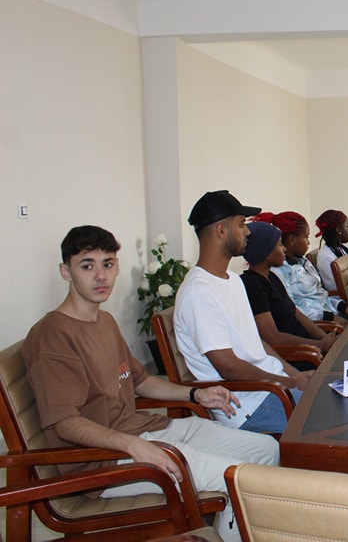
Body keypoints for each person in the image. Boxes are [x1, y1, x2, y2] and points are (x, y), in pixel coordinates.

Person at [22, 225, 278, 542]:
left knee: (266, 450)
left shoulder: (104, 321)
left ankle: (229, 529)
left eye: (107, 264)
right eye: (87, 266)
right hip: (105, 460)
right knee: (240, 479)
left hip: (144, 430)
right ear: (66, 272)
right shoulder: (52, 336)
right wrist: (133, 445)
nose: (100, 276)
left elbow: (141, 381)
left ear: (117, 267)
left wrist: (196, 393)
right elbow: (65, 423)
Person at [174, 190, 311, 434]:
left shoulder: (233, 280)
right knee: (339, 418)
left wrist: (294, 375)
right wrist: (289, 382)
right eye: (241, 224)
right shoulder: (198, 292)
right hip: (249, 406)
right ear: (221, 230)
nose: (247, 231)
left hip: (273, 388)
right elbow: (229, 368)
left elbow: (255, 343)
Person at [239, 222, 338, 365]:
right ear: (267, 253)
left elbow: (297, 313)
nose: (284, 249)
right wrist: (319, 345)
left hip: (310, 346)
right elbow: (273, 337)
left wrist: (324, 339)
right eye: (280, 245)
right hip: (298, 354)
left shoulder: (271, 277)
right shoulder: (253, 285)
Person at [257, 211, 348, 322]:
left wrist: (344, 307)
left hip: (332, 312)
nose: (308, 243)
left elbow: (320, 295)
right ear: (292, 240)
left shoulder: (302, 261)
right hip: (321, 324)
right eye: (306, 237)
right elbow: (295, 311)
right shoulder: (279, 272)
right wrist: (335, 319)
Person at [314, 209, 348, 295]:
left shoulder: (341, 248)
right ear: (339, 230)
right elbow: (342, 289)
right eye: (347, 227)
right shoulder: (326, 257)